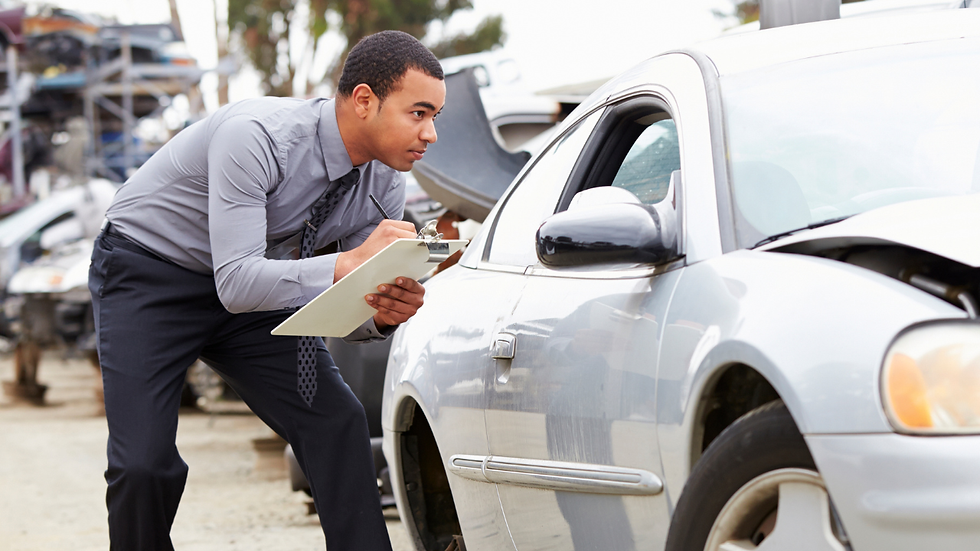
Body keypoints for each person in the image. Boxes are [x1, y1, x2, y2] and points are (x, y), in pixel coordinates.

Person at [88, 30, 446, 550]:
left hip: (264, 288)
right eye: (419, 113)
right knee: (144, 465)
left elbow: (342, 292)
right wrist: (348, 264)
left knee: (336, 422)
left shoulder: (384, 178)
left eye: (435, 116)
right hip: (150, 275)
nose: (431, 133)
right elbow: (237, 281)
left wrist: (383, 311)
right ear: (365, 100)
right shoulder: (255, 134)